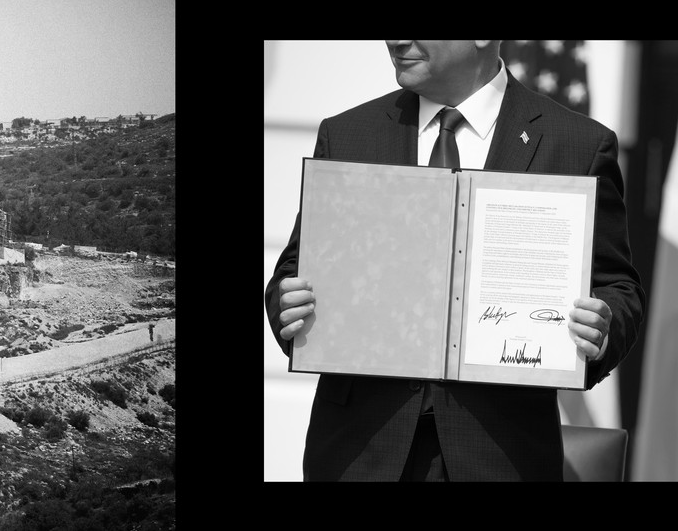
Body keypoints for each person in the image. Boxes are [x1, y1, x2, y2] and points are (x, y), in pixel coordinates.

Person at [264, 41, 645, 481]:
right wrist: (286, 305)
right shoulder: (349, 133)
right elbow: (292, 274)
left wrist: (600, 329)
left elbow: (619, 288)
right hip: (359, 454)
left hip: (500, 456)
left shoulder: (577, 145)